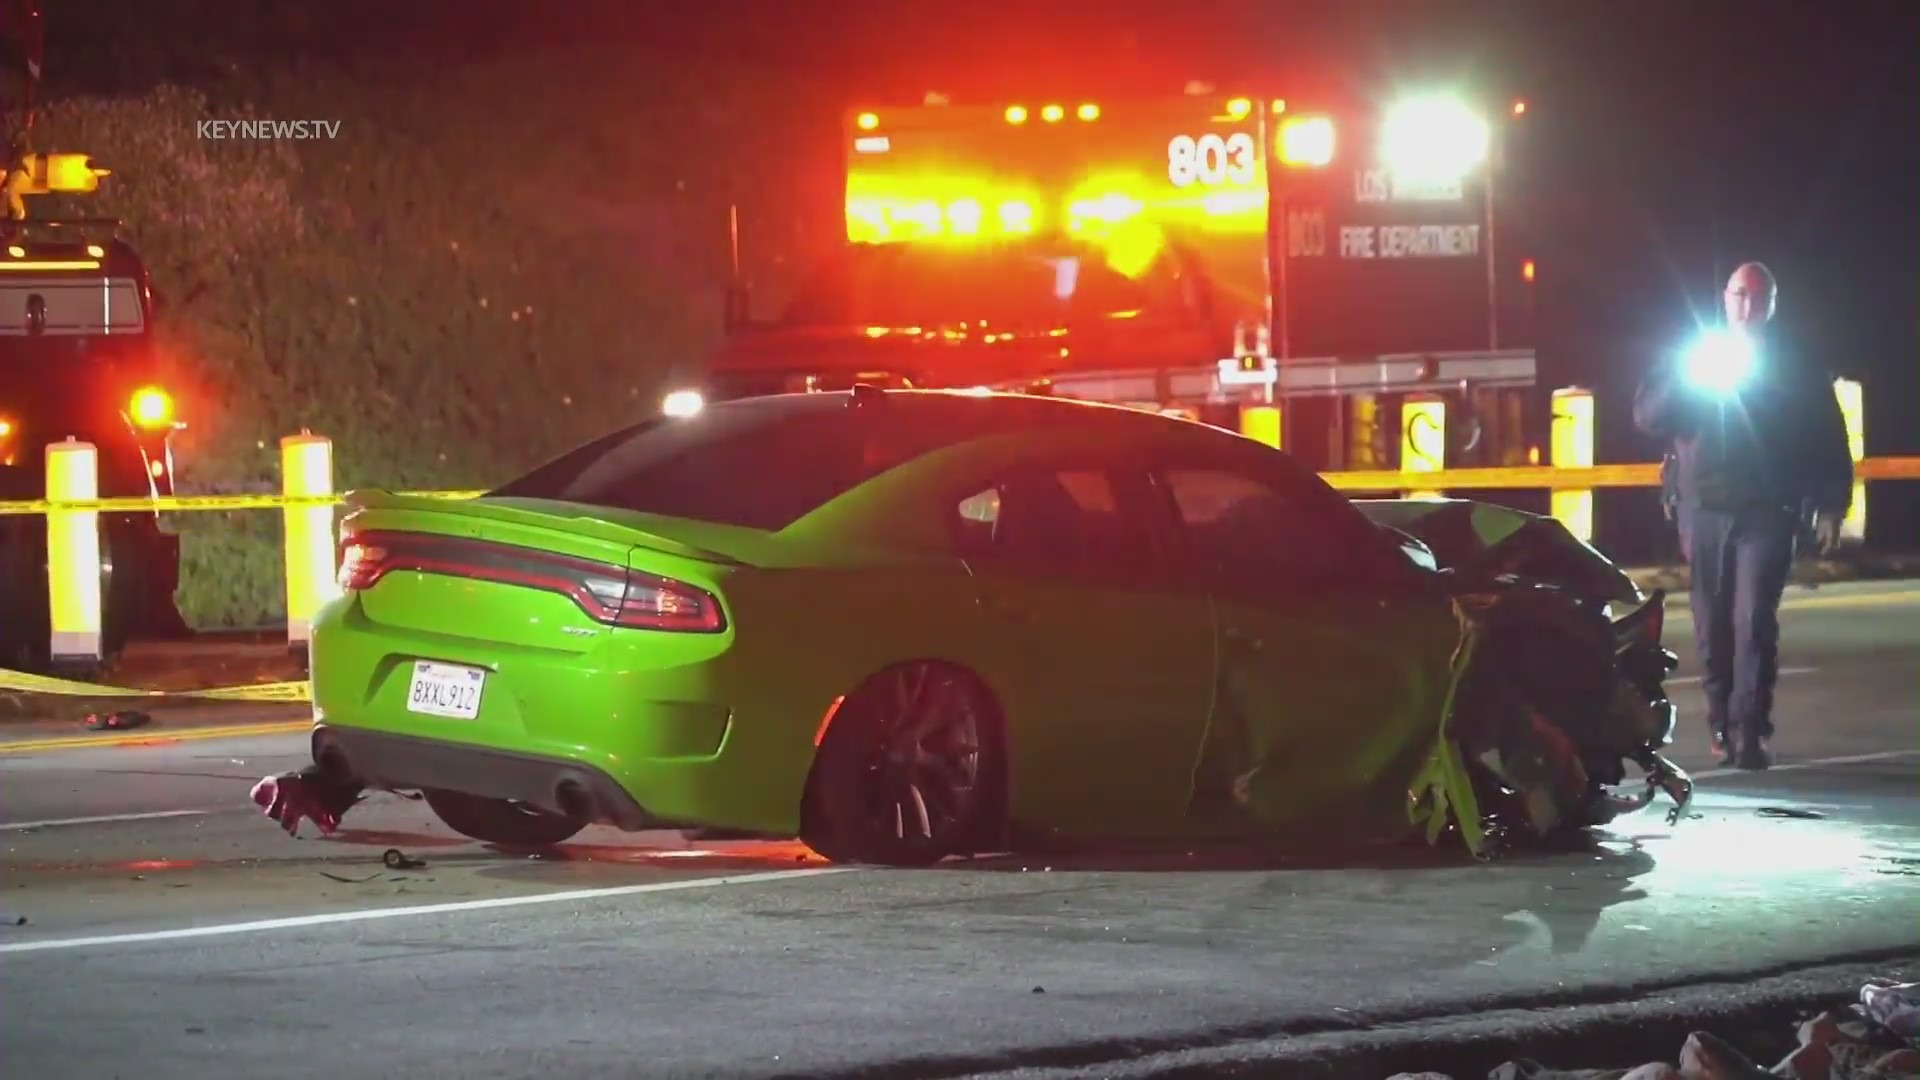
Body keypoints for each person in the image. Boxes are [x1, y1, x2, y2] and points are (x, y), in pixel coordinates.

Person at [1632, 262, 1853, 770]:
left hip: (1768, 511)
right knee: (1711, 623)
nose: (1747, 306)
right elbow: (1647, 417)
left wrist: (1831, 505)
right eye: (1738, 295)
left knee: (1754, 620)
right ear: (1725, 299)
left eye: (1757, 297)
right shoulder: (1694, 354)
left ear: (1772, 303)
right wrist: (1690, 381)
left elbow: (1828, 434)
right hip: (1703, 509)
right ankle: (1719, 722)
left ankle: (1750, 730)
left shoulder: (1795, 362)